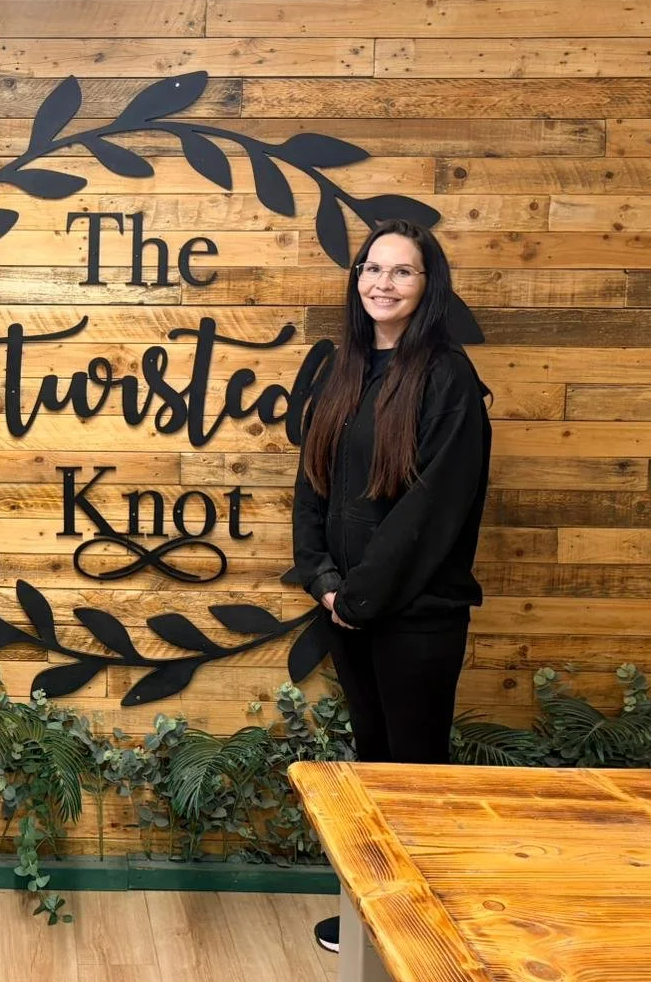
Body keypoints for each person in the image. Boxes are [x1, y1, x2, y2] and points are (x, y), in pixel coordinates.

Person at [285, 218, 492, 956]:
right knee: (373, 764)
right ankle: (376, 925)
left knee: (416, 777)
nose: (383, 283)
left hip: (416, 619)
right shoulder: (344, 370)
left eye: (402, 271)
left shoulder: (447, 378)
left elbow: (432, 509)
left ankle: (427, 939)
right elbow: (312, 484)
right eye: (373, 268)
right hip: (347, 610)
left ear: (428, 286)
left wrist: (359, 596)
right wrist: (323, 579)